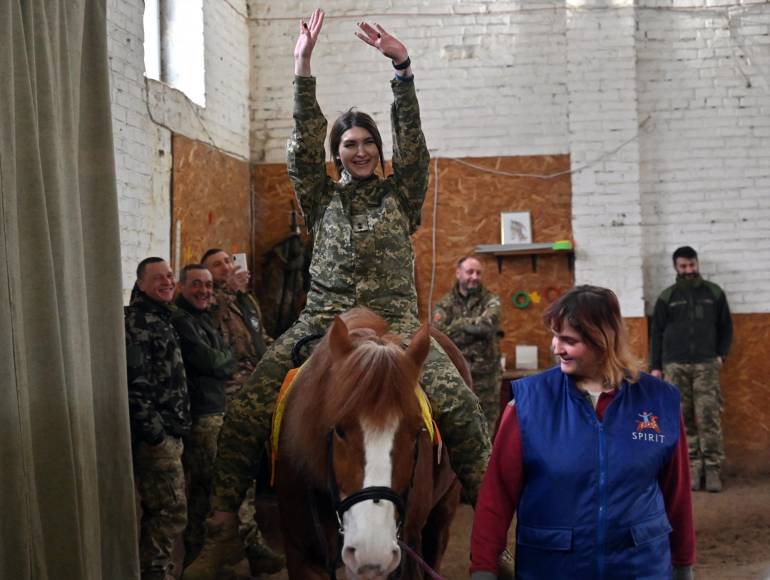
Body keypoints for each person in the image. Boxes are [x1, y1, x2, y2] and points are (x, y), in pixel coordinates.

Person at [182, 10, 491, 579]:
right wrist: (302, 67)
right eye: (349, 143)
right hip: (324, 322)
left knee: (464, 408)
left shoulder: (403, 191)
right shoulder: (320, 198)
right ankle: (224, 529)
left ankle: (499, 535)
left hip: (396, 322)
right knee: (248, 407)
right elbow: (301, 146)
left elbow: (414, 144)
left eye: (368, 142)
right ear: (338, 152)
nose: (360, 150)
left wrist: (403, 70)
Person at [470, 285, 695, 580]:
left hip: (640, 568)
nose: (555, 348)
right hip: (552, 569)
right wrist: (483, 570)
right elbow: (495, 497)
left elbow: (676, 493)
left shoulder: (660, 401)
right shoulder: (527, 403)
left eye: (568, 340)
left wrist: (683, 564)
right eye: (555, 336)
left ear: (603, 341)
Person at [125, 257, 190, 580]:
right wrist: (156, 435)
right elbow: (136, 385)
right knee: (167, 511)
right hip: (157, 438)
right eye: (158, 278)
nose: (167, 282)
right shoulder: (137, 322)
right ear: (140, 283)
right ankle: (155, 573)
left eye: (169, 276)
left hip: (172, 431)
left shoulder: (161, 318)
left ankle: (160, 570)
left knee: (169, 511)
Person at [650, 245, 733, 492]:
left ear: (697, 264)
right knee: (683, 419)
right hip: (674, 365)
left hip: (706, 365)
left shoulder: (714, 293)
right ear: (676, 267)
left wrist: (721, 355)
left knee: (709, 417)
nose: (689, 270)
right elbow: (656, 333)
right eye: (683, 266)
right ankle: (693, 469)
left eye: (692, 265)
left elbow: (726, 327)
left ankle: (713, 470)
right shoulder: (667, 296)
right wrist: (656, 366)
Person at [171, 265, 238, 565]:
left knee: (211, 494)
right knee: (205, 494)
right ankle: (198, 562)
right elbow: (211, 361)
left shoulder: (204, 318)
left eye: (209, 285)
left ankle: (210, 563)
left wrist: (223, 360)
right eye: (196, 284)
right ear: (181, 287)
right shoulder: (181, 320)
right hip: (201, 416)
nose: (204, 291)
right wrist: (223, 360)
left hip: (216, 408)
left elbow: (225, 358)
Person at [434, 256, 502, 431]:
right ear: (458, 273)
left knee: (486, 428)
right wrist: (473, 328)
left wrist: (459, 324)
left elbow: (488, 325)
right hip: (457, 378)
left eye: (478, 273)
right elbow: (440, 337)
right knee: (459, 428)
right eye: (470, 272)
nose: (474, 276)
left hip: (486, 379)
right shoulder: (445, 304)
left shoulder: (490, 300)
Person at [201, 248, 271, 397]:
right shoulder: (206, 298)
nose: (226, 267)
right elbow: (213, 314)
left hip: (259, 372)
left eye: (228, 261)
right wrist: (230, 289)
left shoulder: (246, 299)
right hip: (233, 381)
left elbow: (261, 336)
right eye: (217, 264)